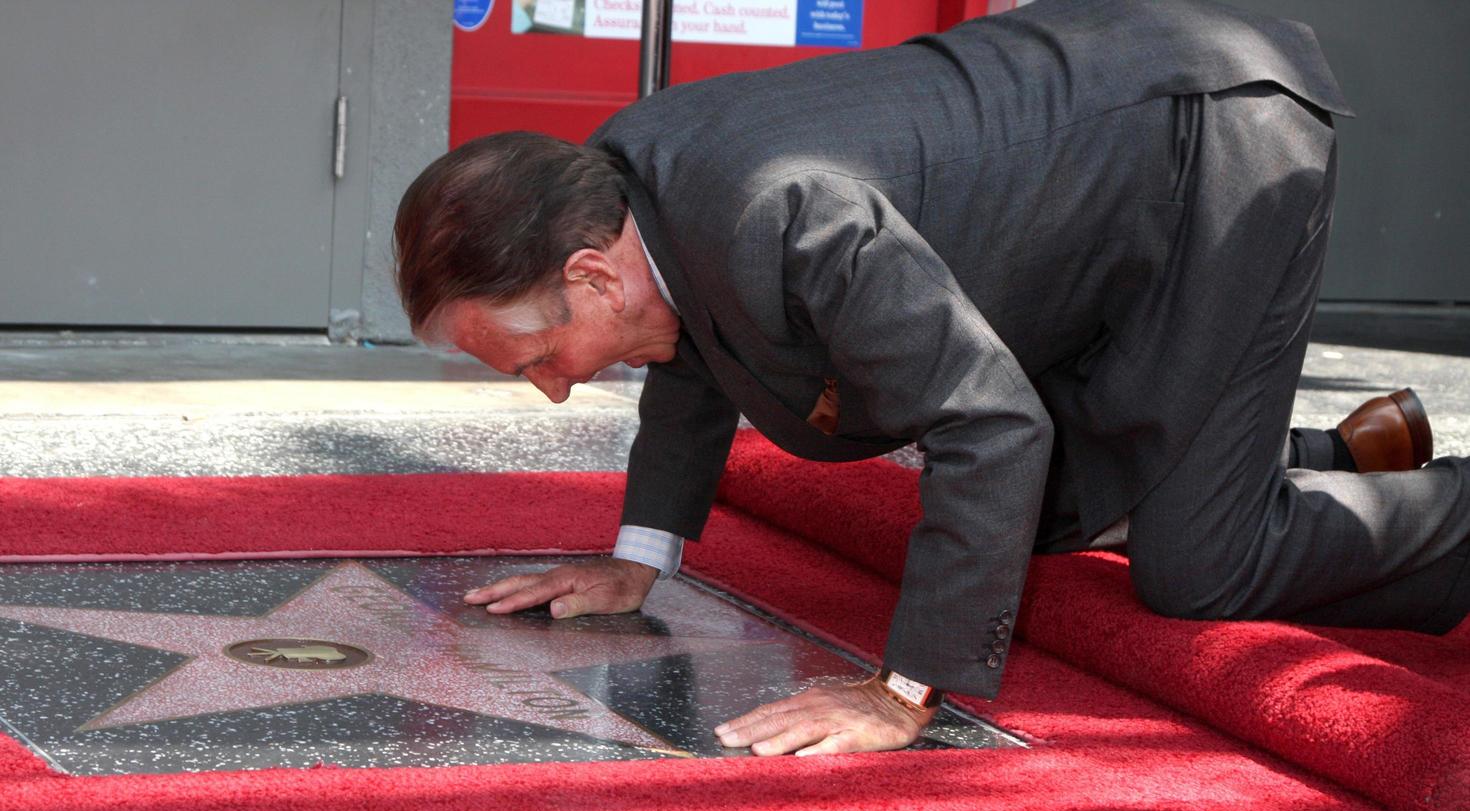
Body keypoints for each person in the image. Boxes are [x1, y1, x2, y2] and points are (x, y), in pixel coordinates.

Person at [392, 0, 1468, 757]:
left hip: (1212, 136)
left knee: (1201, 562)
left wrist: (900, 688)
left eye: (537, 357)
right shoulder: (632, 187)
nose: (550, 391)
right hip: (1101, 157)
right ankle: (1330, 454)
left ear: (590, 275)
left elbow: (989, 426)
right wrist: (641, 561)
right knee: (1052, 511)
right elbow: (690, 340)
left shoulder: (782, 212)